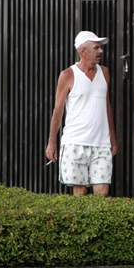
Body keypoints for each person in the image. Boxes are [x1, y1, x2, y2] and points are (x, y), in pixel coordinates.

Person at [46, 30, 118, 196]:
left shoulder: (104, 72)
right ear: (82, 50)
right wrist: (52, 142)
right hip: (75, 142)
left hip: (101, 143)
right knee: (80, 194)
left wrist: (112, 138)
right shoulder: (68, 75)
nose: (101, 51)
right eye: (96, 48)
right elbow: (58, 110)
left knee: (102, 193)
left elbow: (107, 105)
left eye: (100, 48)